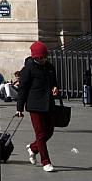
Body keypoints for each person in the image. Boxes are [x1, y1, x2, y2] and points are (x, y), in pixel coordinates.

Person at [16, 41, 60, 173]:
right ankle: (46, 161)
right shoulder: (28, 69)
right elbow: (22, 89)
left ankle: (33, 148)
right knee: (40, 133)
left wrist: (55, 87)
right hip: (35, 104)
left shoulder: (49, 66)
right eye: (41, 58)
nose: (43, 60)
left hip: (48, 103)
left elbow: (54, 82)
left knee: (49, 131)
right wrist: (19, 108)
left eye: (45, 57)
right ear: (35, 57)